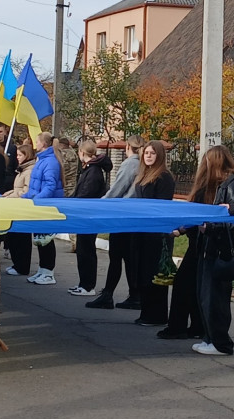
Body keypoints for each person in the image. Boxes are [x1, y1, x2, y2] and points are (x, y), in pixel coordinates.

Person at [189, 145, 234, 356]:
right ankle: (210, 337)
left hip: (219, 249)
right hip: (208, 247)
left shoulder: (232, 185)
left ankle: (221, 342)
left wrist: (210, 227)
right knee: (204, 296)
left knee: (216, 298)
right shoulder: (216, 184)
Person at [86, 134, 145, 310]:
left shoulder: (130, 164)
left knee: (116, 256)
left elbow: (118, 189)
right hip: (134, 217)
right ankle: (134, 294)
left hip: (122, 216)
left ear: (127, 147)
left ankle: (108, 295)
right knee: (128, 257)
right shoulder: (142, 164)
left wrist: (100, 205)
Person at [132, 140, 176, 327]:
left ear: (159, 156)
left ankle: (156, 315)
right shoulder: (143, 175)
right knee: (143, 272)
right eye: (146, 153)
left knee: (154, 273)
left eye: (152, 153)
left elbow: (162, 206)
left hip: (156, 233)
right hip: (142, 229)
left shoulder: (164, 177)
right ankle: (146, 312)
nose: (148, 156)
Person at [67, 141, 112, 296]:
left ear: (81, 152)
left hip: (89, 217)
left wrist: (74, 202)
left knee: (87, 251)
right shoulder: (90, 169)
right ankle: (82, 283)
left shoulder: (93, 171)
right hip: (84, 216)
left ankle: (88, 285)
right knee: (82, 249)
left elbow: (87, 193)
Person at [22, 132, 64, 285]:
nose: (35, 143)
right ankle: (42, 269)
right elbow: (36, 184)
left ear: (43, 143)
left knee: (46, 240)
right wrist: (26, 197)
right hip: (39, 204)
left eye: (37, 141)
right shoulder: (42, 159)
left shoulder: (50, 161)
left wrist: (37, 200)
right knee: (40, 239)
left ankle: (48, 272)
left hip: (46, 205)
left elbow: (50, 185)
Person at [1, 142, 37, 276]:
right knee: (14, 237)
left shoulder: (29, 171)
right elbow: (18, 189)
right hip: (15, 204)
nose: (17, 158)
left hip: (21, 206)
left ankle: (22, 266)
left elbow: (26, 191)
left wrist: (12, 195)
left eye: (20, 155)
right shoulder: (22, 170)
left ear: (26, 155)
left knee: (21, 239)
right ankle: (17, 264)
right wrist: (9, 193)